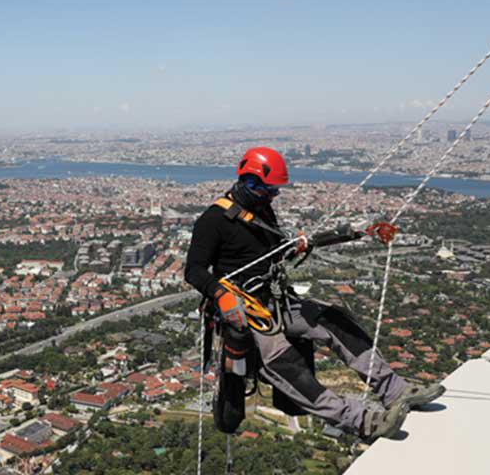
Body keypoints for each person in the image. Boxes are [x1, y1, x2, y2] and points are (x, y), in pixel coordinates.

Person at [184, 147, 445, 441]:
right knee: (285, 363)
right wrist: (221, 294)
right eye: (269, 188)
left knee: (334, 322)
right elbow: (193, 270)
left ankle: (394, 390)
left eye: (275, 189)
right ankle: (360, 421)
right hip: (247, 312)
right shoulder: (213, 219)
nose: (273, 195)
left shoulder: (260, 210)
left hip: (277, 302)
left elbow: (266, 251)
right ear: (250, 182)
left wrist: (308, 242)